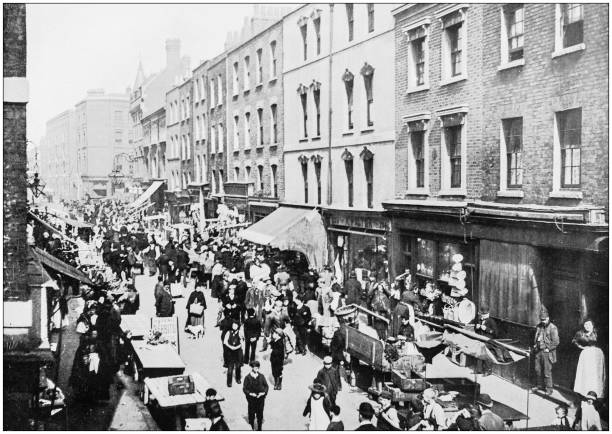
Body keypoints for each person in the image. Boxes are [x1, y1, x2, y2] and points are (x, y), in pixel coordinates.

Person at [572, 319, 606, 399]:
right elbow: (574, 341)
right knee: (586, 373)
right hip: (585, 356)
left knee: (596, 373)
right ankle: (584, 391)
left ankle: (596, 392)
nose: (587, 326)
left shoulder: (598, 333)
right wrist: (581, 347)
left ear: (592, 325)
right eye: (585, 325)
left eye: (589, 325)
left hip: (597, 356)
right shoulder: (580, 333)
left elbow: (604, 342)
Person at [532, 306, 559, 395]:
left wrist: (548, 349)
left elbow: (556, 342)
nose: (543, 321)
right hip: (538, 351)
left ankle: (549, 389)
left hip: (547, 352)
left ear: (548, 318)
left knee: (547, 371)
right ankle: (539, 385)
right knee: (537, 369)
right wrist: (535, 344)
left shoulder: (552, 328)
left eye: (544, 319)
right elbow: (537, 337)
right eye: (541, 319)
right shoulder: (539, 326)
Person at [242, 361, 269, 431]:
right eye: (255, 368)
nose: (256, 369)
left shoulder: (261, 376)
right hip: (252, 399)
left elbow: (266, 386)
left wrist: (263, 393)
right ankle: (252, 427)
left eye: (258, 368)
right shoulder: (247, 377)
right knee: (251, 414)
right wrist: (250, 394)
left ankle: (259, 428)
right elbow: (245, 388)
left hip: (260, 399)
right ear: (252, 368)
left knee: (260, 414)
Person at [474, 305, 499, 376]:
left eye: (483, 315)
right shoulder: (479, 320)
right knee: (478, 354)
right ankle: (479, 370)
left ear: (487, 314)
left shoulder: (491, 321)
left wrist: (486, 329)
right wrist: (477, 328)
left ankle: (488, 371)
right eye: (481, 314)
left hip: (488, 341)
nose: (482, 316)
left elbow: (496, 333)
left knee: (487, 355)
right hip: (480, 340)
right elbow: (476, 331)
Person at [223, 321, 243, 387]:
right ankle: (229, 382)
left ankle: (238, 378)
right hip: (230, 352)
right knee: (230, 367)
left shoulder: (240, 332)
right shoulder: (228, 332)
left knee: (238, 367)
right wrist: (230, 347)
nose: (234, 326)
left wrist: (237, 347)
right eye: (233, 325)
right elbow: (225, 342)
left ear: (238, 326)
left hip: (238, 352)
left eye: (236, 325)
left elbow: (242, 342)